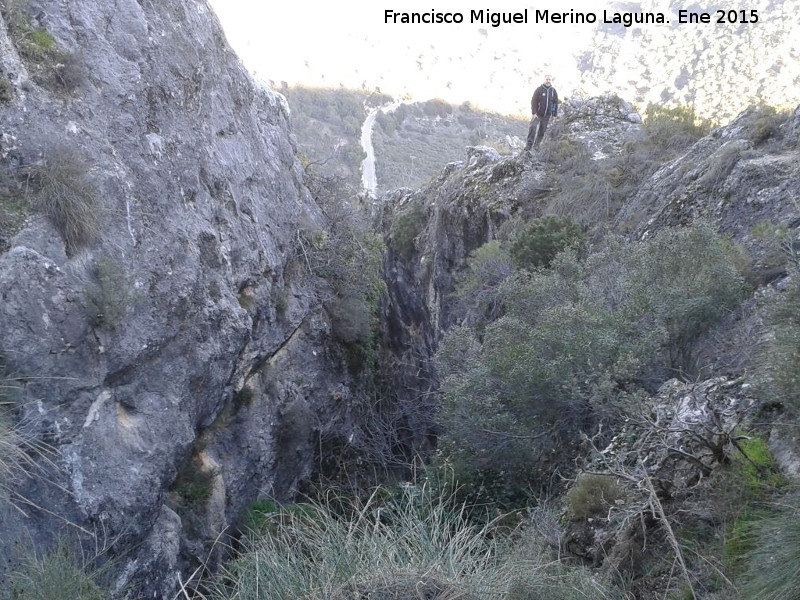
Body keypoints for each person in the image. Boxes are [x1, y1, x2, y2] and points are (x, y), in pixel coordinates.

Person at [524, 75, 559, 152]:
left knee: (542, 131)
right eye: (547, 79)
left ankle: (536, 146)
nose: (548, 81)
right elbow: (533, 101)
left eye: (549, 79)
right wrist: (534, 112)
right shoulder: (539, 89)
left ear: (551, 81)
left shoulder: (553, 91)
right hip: (538, 114)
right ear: (544, 80)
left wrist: (554, 114)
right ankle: (529, 145)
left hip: (547, 115)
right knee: (532, 127)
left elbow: (555, 103)